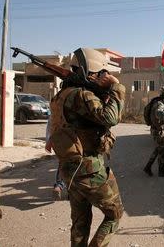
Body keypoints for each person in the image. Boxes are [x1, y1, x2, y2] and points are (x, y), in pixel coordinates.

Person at [49, 48, 125, 247]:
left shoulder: (61, 95)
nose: (103, 77)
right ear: (91, 72)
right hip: (89, 169)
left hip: (69, 170)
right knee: (114, 214)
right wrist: (116, 87)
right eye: (101, 74)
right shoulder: (81, 95)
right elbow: (111, 117)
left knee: (81, 222)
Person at [143, 86, 164, 177]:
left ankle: (148, 167)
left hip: (157, 129)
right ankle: (161, 171)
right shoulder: (159, 104)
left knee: (159, 149)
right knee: (162, 150)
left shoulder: (158, 101)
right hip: (158, 131)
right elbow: (159, 113)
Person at [45, 116, 66, 201]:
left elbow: (51, 124)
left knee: (63, 162)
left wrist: (49, 141)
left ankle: (59, 185)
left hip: (58, 140)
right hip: (73, 140)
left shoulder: (56, 105)